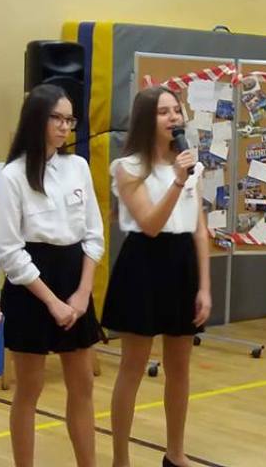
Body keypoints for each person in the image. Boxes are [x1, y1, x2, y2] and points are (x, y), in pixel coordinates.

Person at [101, 86, 212, 467]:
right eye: (163, 112)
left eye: (176, 110)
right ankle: (120, 459)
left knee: (179, 368)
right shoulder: (128, 167)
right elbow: (149, 224)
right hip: (144, 264)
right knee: (133, 367)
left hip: (182, 263)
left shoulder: (192, 168)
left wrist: (204, 287)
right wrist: (178, 181)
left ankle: (175, 454)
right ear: (147, 120)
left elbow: (200, 231)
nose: (173, 118)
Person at [0, 84, 105, 467]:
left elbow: (93, 234)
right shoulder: (12, 175)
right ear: (36, 119)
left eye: (69, 119)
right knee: (30, 388)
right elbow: (11, 252)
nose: (64, 126)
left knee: (83, 383)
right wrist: (52, 302)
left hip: (75, 279)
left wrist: (82, 292)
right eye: (56, 118)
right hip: (32, 288)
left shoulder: (78, 167)